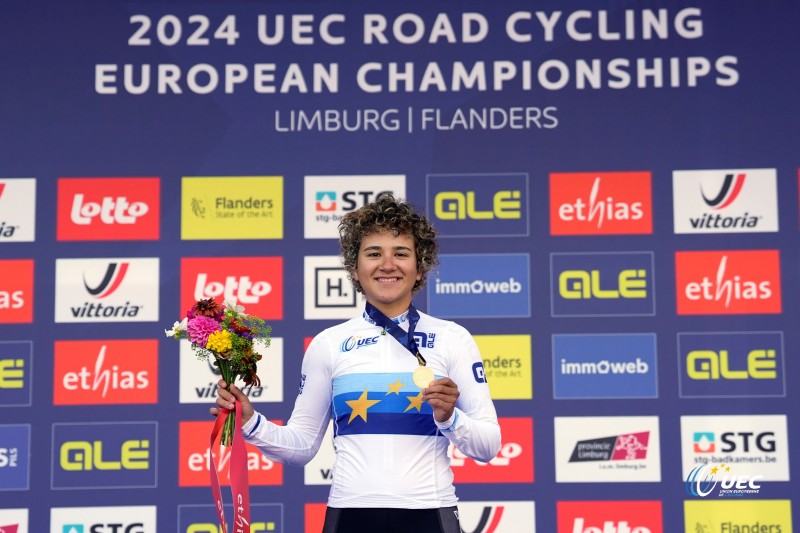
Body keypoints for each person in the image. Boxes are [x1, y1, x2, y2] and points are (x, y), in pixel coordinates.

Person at [212, 193, 501, 533]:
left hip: (430, 513)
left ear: (420, 266)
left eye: (401, 253)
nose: (387, 264)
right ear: (354, 267)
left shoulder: (453, 338)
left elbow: (488, 446)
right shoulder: (328, 344)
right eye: (374, 253)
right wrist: (251, 422)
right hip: (350, 516)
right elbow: (302, 446)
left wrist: (451, 418)